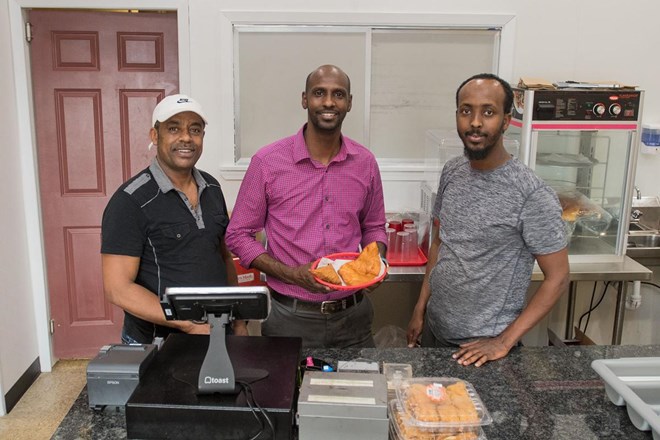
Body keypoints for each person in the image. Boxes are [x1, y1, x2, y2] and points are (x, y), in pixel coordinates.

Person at [407, 73, 570, 366]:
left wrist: (503, 342)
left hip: (481, 350)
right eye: (466, 110)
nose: (475, 122)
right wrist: (421, 307)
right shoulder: (452, 171)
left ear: (506, 121)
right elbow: (440, 242)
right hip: (435, 331)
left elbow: (557, 278)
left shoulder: (530, 193)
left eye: (489, 112)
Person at [225, 65, 387, 349]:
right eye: (319, 93)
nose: (328, 102)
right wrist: (291, 274)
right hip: (291, 318)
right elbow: (238, 235)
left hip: (353, 317)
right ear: (304, 100)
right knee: (289, 394)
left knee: (360, 392)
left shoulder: (365, 163)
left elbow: (373, 227)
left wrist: (377, 263)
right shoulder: (268, 162)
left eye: (338, 94)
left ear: (349, 102)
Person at [101, 94, 247, 344]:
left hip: (215, 332)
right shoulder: (130, 201)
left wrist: (240, 320)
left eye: (195, 129)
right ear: (155, 136)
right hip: (156, 342)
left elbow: (222, 257)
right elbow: (118, 289)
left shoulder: (211, 187)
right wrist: (188, 325)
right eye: (173, 128)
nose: (186, 138)